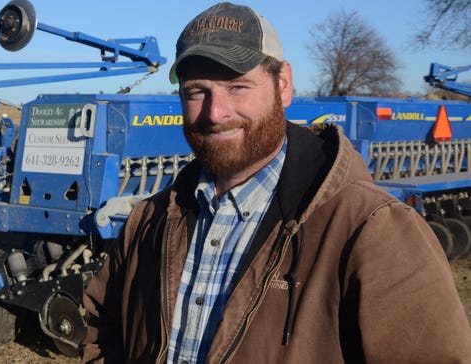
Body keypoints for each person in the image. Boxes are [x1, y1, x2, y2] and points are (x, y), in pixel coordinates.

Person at [81, 2, 471, 363]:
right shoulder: (150, 221)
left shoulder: (372, 230)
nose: (215, 113)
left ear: (283, 84)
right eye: (196, 92)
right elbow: (103, 329)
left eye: (238, 87)